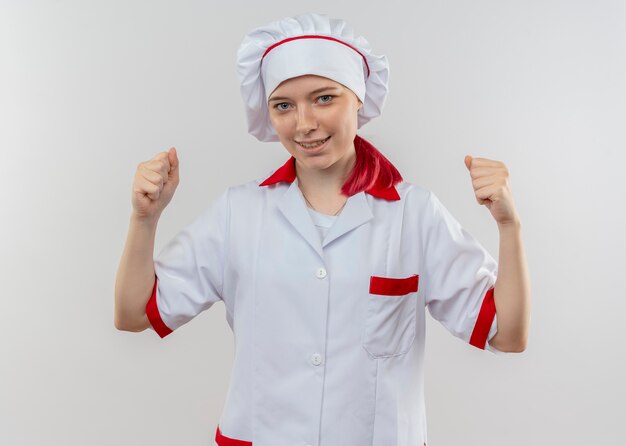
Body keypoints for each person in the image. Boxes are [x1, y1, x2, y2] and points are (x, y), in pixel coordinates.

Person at [114, 12, 531, 446]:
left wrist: (509, 225)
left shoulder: (414, 215)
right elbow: (133, 315)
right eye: (284, 105)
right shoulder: (239, 214)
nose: (305, 123)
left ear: (359, 99)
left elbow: (509, 333)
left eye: (325, 98)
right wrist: (145, 219)